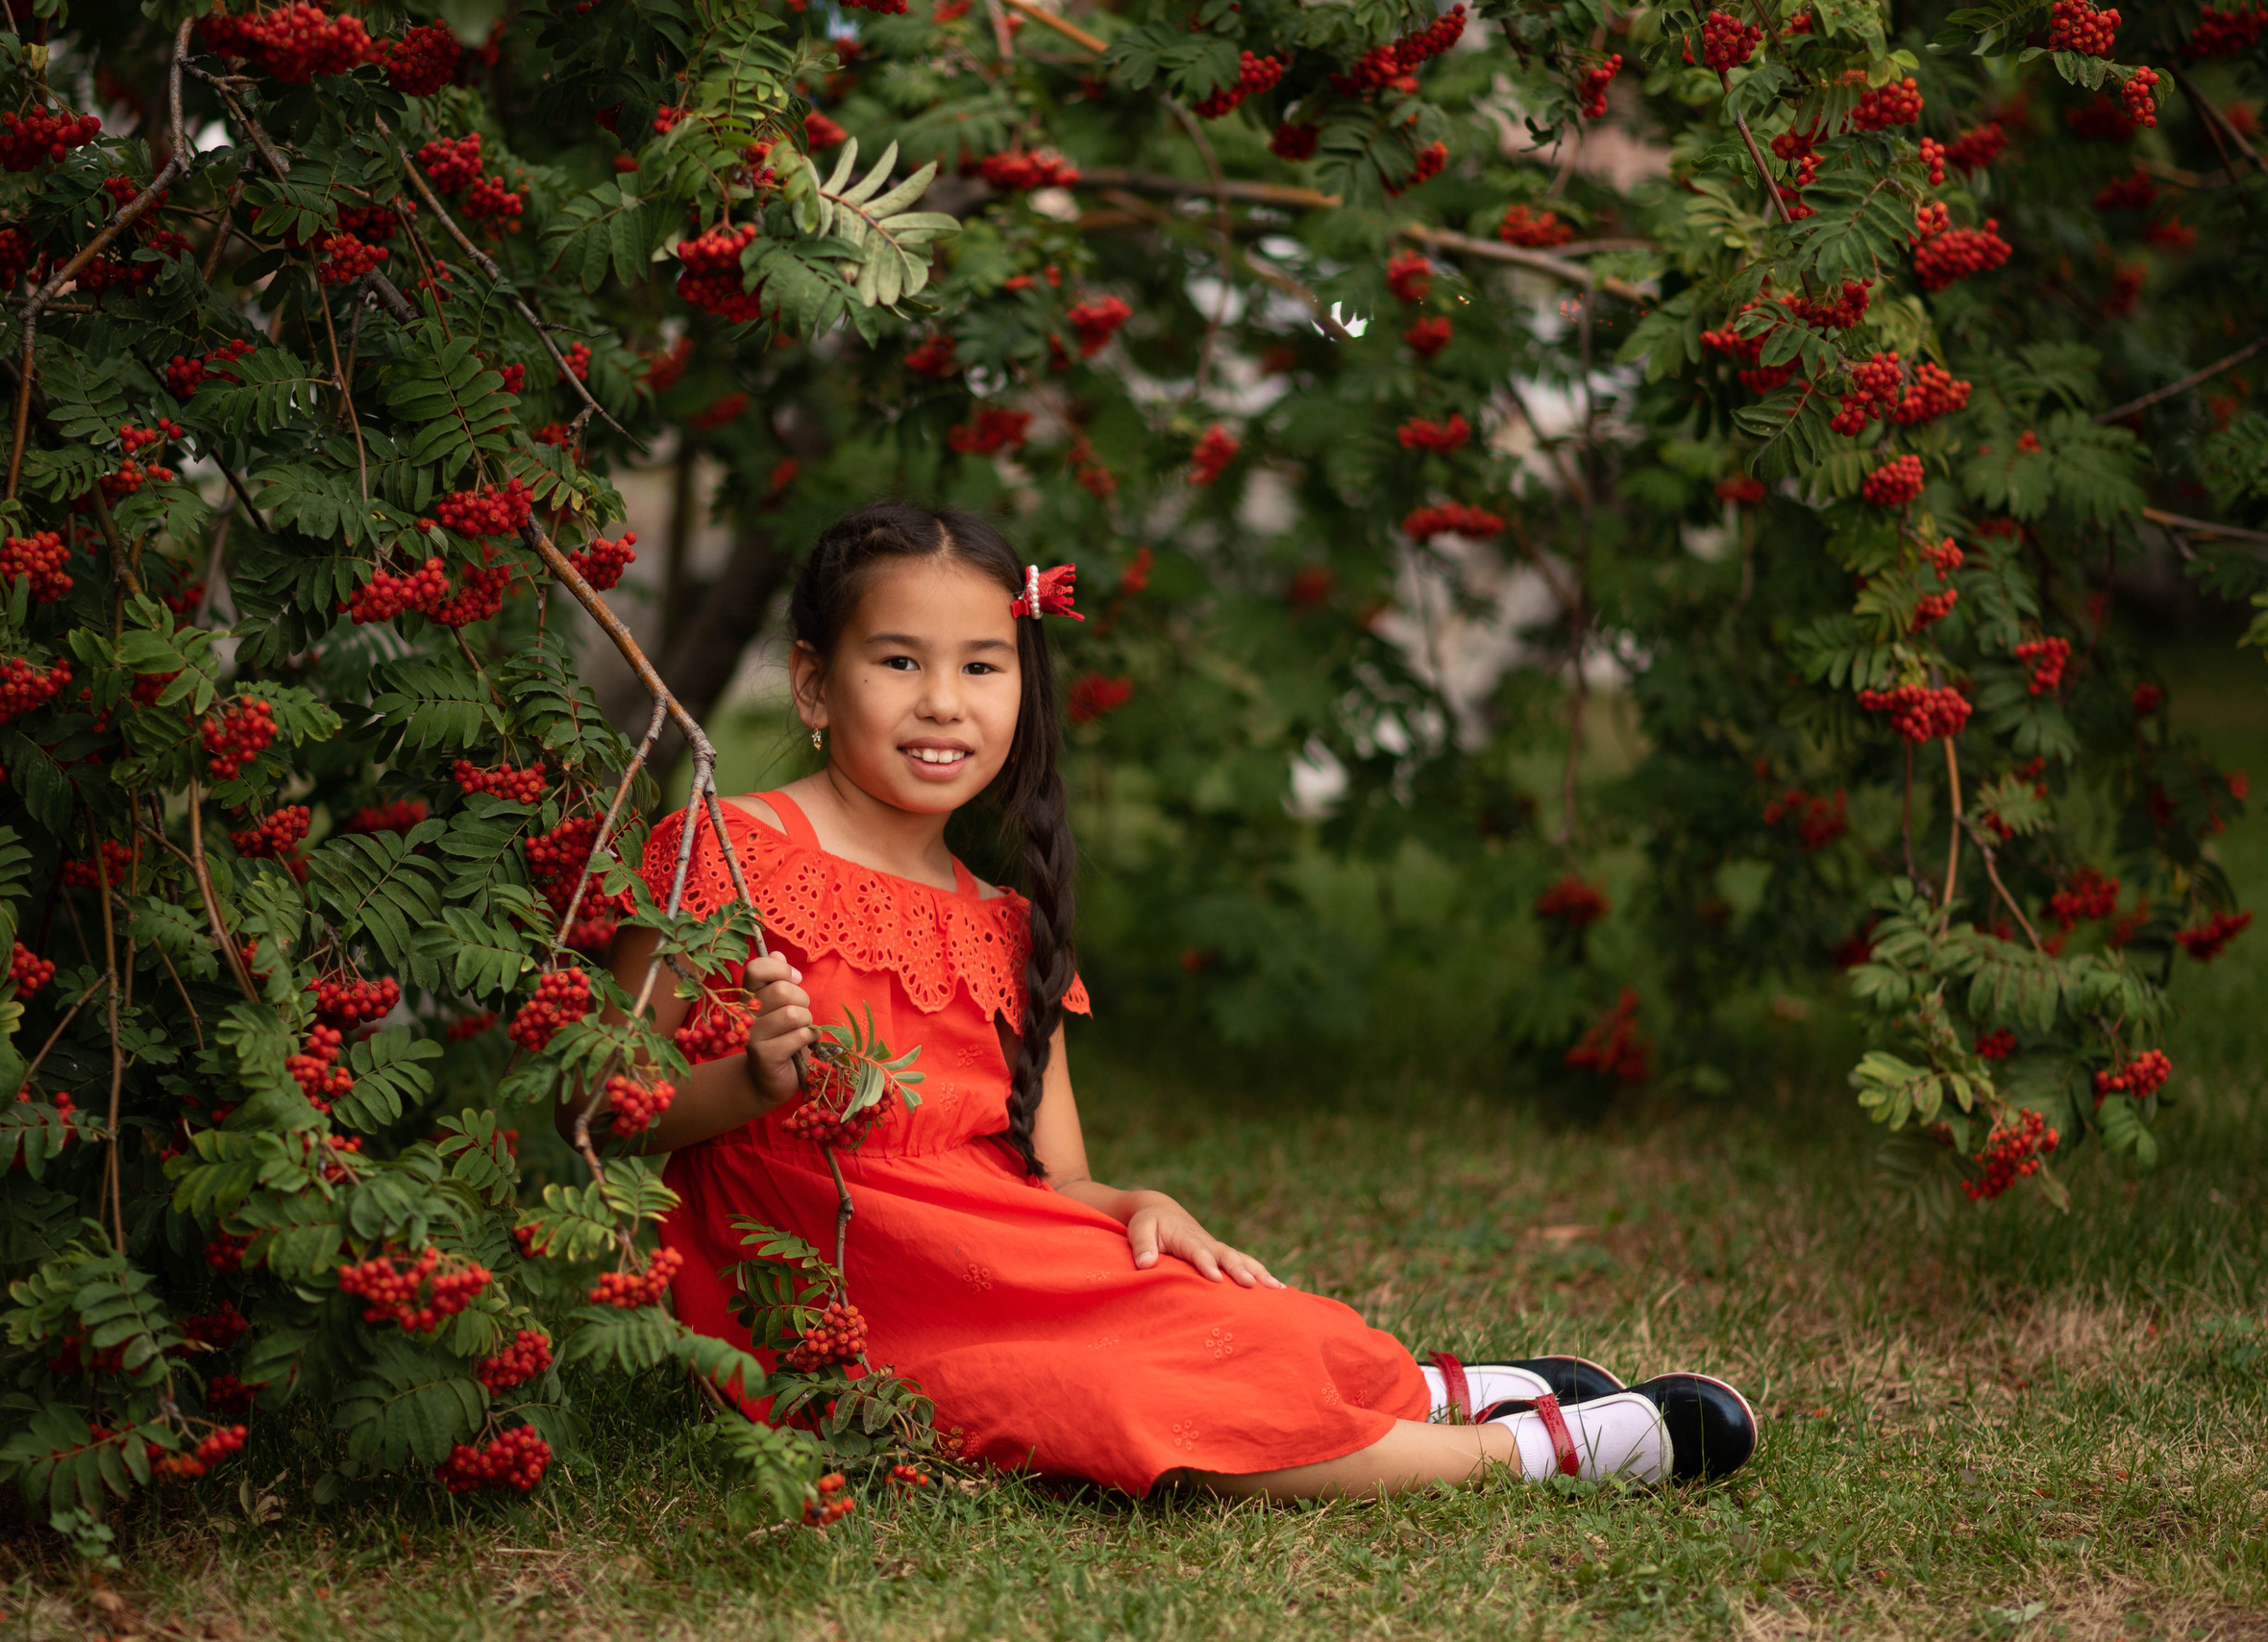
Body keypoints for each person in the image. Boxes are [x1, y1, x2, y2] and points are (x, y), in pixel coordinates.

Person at [592, 501, 1756, 1497]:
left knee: (1224, 1309)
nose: (942, 700)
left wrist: (1141, 1201)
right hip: (844, 1299)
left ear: (1020, 685)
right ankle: (1535, 1452)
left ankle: (1440, 1387)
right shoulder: (724, 851)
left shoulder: (1001, 918)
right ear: (811, 678)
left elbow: (1054, 1180)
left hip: (997, 1257)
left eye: (980, 665)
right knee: (1119, 1396)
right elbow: (598, 1113)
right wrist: (745, 1082)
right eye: (899, 661)